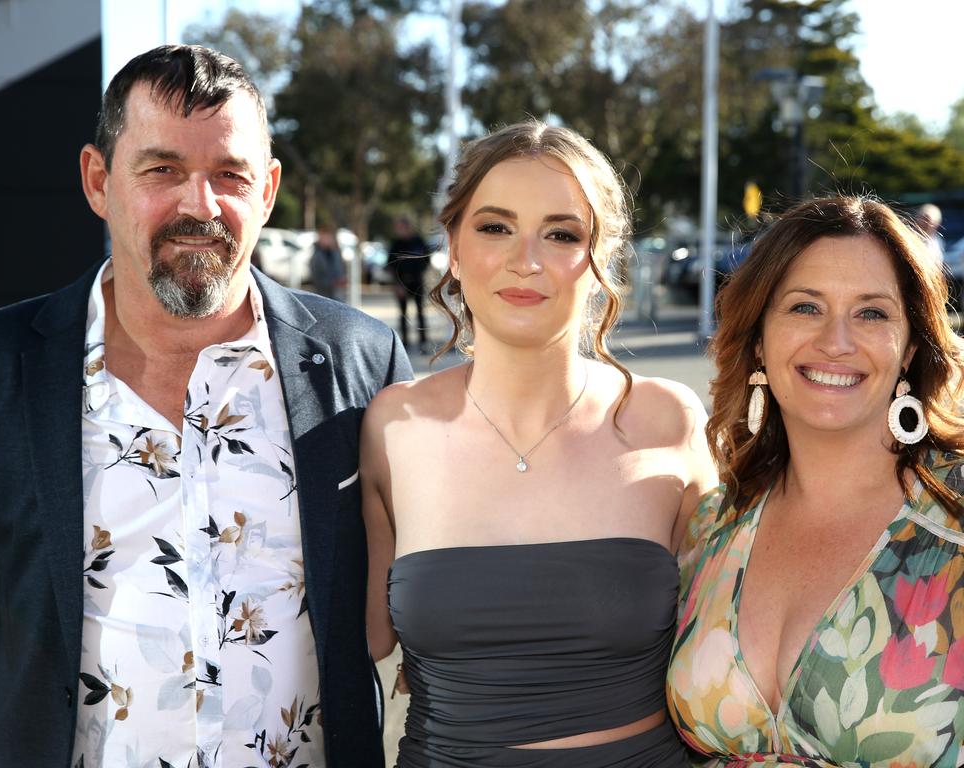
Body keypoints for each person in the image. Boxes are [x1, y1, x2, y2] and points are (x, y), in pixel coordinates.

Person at [0, 45, 411, 768]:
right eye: (162, 170)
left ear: (268, 190)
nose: (201, 205)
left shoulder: (359, 360)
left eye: (230, 175)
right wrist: (18, 699)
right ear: (99, 181)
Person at [361, 120, 717, 767]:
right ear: (455, 246)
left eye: (561, 234)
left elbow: (730, 655)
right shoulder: (393, 424)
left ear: (599, 256)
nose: (526, 259)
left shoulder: (668, 419)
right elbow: (357, 636)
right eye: (495, 227)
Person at [668, 196, 964, 767]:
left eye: (872, 313)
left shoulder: (954, 514)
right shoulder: (713, 525)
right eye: (805, 307)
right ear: (757, 339)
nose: (836, 341)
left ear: (908, 349)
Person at [386, 216, 431, 353]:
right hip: (401, 284)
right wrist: (397, 284)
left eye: (401, 228)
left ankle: (423, 342)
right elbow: (390, 265)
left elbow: (427, 260)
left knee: (420, 313)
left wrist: (420, 275)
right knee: (403, 314)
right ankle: (404, 343)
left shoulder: (419, 241)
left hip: (417, 282)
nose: (399, 231)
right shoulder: (396, 244)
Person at [310, 223, 345, 299]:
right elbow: (316, 275)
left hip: (337, 293)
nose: (327, 239)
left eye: (329, 237)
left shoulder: (335, 252)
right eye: (325, 237)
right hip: (323, 293)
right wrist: (332, 282)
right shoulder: (318, 254)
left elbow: (341, 269)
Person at [917, 202, 945, 268]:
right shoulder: (911, 238)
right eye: (923, 218)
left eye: (927, 219)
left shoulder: (937, 241)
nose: (925, 223)